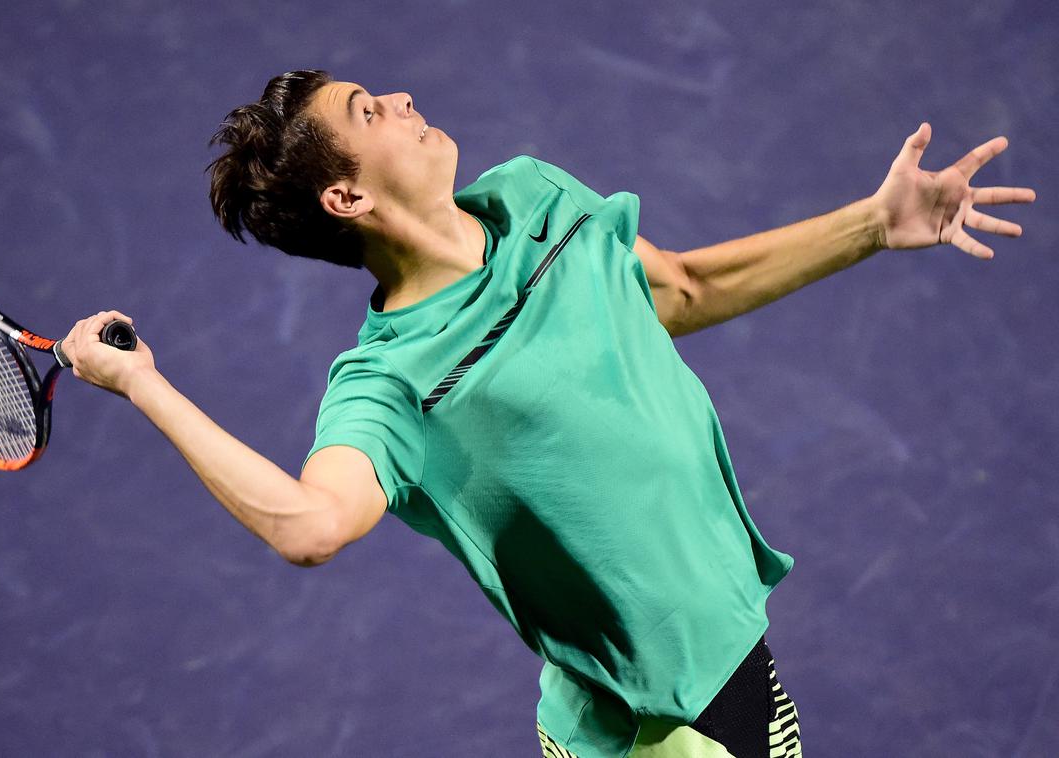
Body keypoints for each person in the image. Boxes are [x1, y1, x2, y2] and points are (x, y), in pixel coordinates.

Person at [59, 70, 1036, 757]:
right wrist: (143, 383)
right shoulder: (389, 384)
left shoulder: (535, 196)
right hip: (663, 722)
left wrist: (873, 224)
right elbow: (309, 524)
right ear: (347, 191)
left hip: (719, 649)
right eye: (369, 109)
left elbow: (677, 290)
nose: (401, 98)